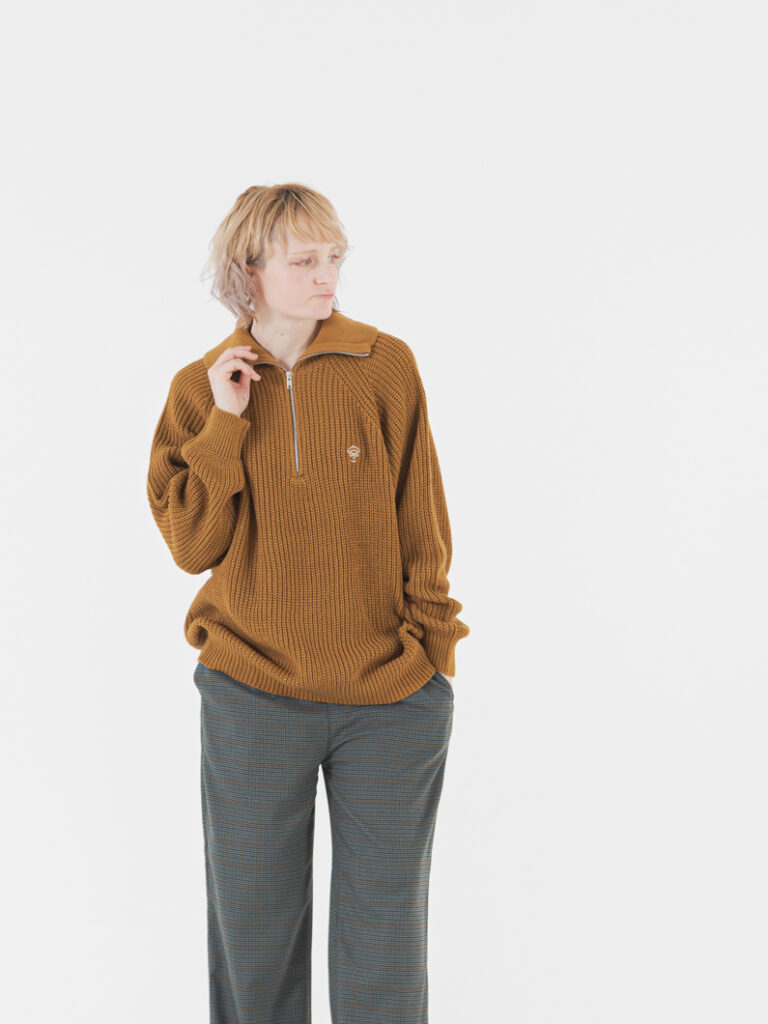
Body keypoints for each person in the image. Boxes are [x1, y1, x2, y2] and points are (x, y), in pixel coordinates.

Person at [146, 183, 470, 1023]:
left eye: (334, 257)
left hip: (390, 699)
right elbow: (192, 545)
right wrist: (226, 422)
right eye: (305, 260)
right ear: (248, 270)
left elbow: (422, 518)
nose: (327, 275)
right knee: (254, 943)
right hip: (252, 694)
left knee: (384, 949)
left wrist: (433, 665)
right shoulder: (198, 390)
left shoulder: (384, 365)